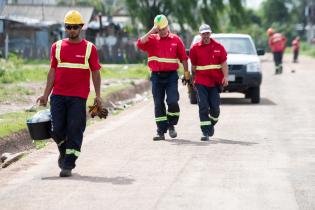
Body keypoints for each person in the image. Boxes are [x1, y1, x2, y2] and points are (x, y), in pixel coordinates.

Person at [37, 10, 102, 177]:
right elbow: (52, 72)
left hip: (78, 96)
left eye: (75, 27)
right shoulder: (57, 47)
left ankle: (69, 163)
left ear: (81, 27)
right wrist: (45, 95)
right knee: (57, 129)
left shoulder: (89, 48)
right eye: (68, 27)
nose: (72, 30)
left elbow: (95, 72)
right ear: (65, 28)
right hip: (58, 94)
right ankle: (64, 150)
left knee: (75, 128)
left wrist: (98, 95)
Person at [137, 14, 190, 141]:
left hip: (171, 76)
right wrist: (152, 31)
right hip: (156, 76)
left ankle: (171, 124)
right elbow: (139, 43)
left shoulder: (176, 40)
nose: (161, 31)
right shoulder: (152, 39)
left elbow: (183, 58)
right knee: (158, 103)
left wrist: (187, 74)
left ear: (167, 26)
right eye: (158, 29)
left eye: (162, 28)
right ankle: (161, 131)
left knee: (172, 101)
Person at [189, 24, 228, 141]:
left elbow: (224, 63)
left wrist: (225, 76)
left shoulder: (219, 47)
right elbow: (194, 67)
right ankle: (205, 132)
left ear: (210, 34)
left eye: (207, 33)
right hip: (201, 82)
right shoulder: (194, 49)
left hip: (215, 82)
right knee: (203, 106)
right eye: (203, 34)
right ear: (200, 34)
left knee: (215, 109)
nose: (205, 36)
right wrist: (193, 80)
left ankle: (210, 125)